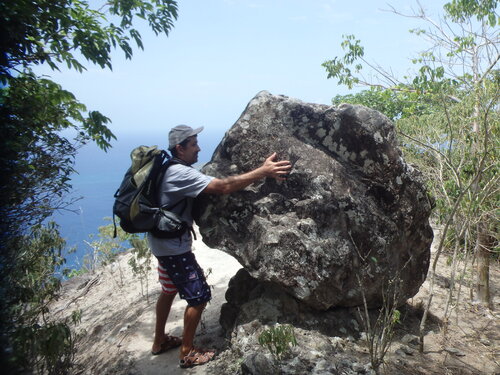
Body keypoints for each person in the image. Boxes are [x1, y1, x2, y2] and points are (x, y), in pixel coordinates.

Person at [148, 124, 291, 368]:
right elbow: (223, 187)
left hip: (160, 242)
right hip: (174, 247)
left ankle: (159, 341)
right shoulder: (180, 174)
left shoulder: (165, 167)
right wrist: (263, 171)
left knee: (169, 288)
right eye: (193, 144)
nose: (199, 148)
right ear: (180, 148)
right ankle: (187, 352)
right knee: (199, 295)